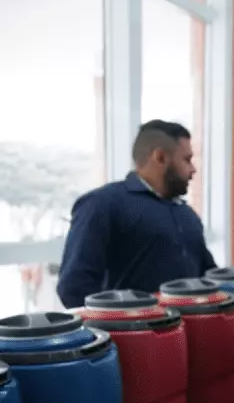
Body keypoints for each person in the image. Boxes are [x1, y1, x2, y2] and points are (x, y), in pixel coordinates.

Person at [57, 120, 216, 307]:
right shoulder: (103, 204)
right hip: (131, 333)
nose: (193, 169)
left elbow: (209, 278)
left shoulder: (186, 215)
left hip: (186, 333)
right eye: (187, 160)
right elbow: (73, 287)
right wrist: (117, 328)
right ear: (160, 157)